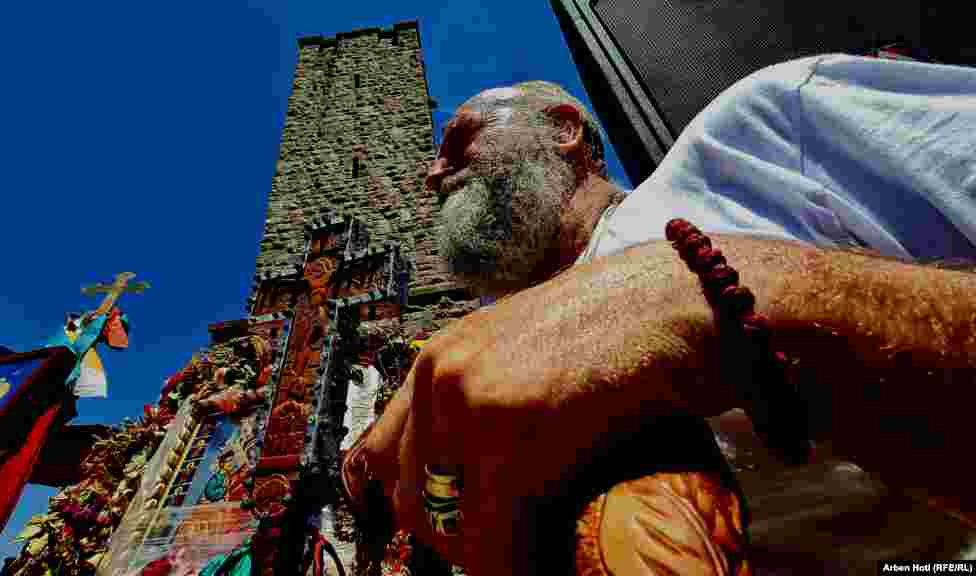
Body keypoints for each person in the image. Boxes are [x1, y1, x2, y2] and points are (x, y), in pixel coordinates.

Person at [353, 55, 976, 575]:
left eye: (460, 140)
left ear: (565, 128)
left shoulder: (761, 135)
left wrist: (714, 297)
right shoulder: (459, 365)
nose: (434, 174)